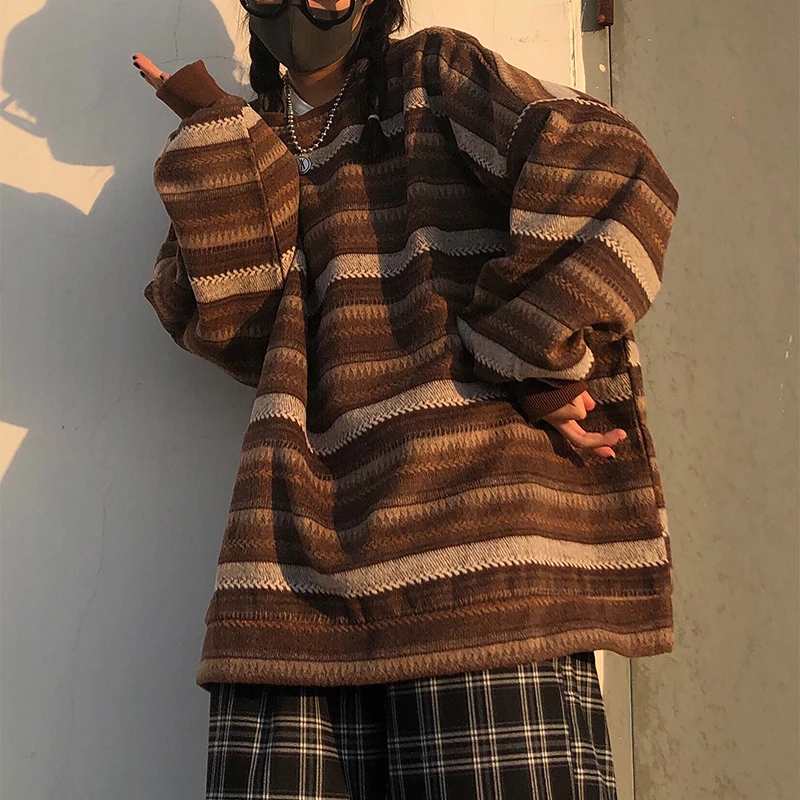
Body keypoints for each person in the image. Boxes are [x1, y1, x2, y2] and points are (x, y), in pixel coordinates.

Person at [134, 0, 679, 797]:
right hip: (296, 583)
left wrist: (533, 355)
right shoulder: (253, 133)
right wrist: (212, 123)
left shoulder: (432, 76)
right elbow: (242, 330)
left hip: (479, 563)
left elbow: (614, 172)